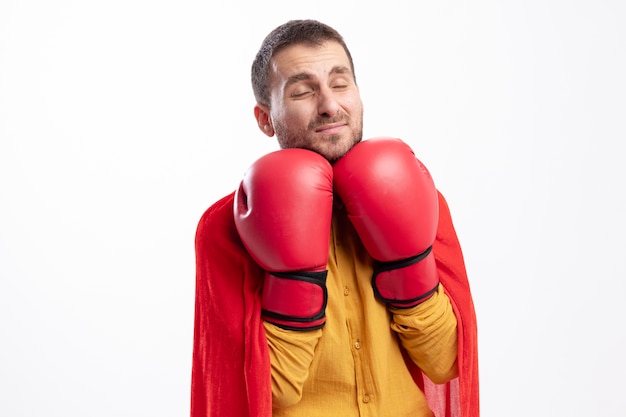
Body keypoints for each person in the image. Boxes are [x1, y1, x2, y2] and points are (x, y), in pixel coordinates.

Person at [191, 19, 479, 417]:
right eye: (303, 91)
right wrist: (293, 280)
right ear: (264, 118)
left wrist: (405, 265)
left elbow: (448, 363)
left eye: (340, 84)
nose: (329, 104)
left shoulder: (419, 195)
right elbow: (255, 396)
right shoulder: (226, 228)